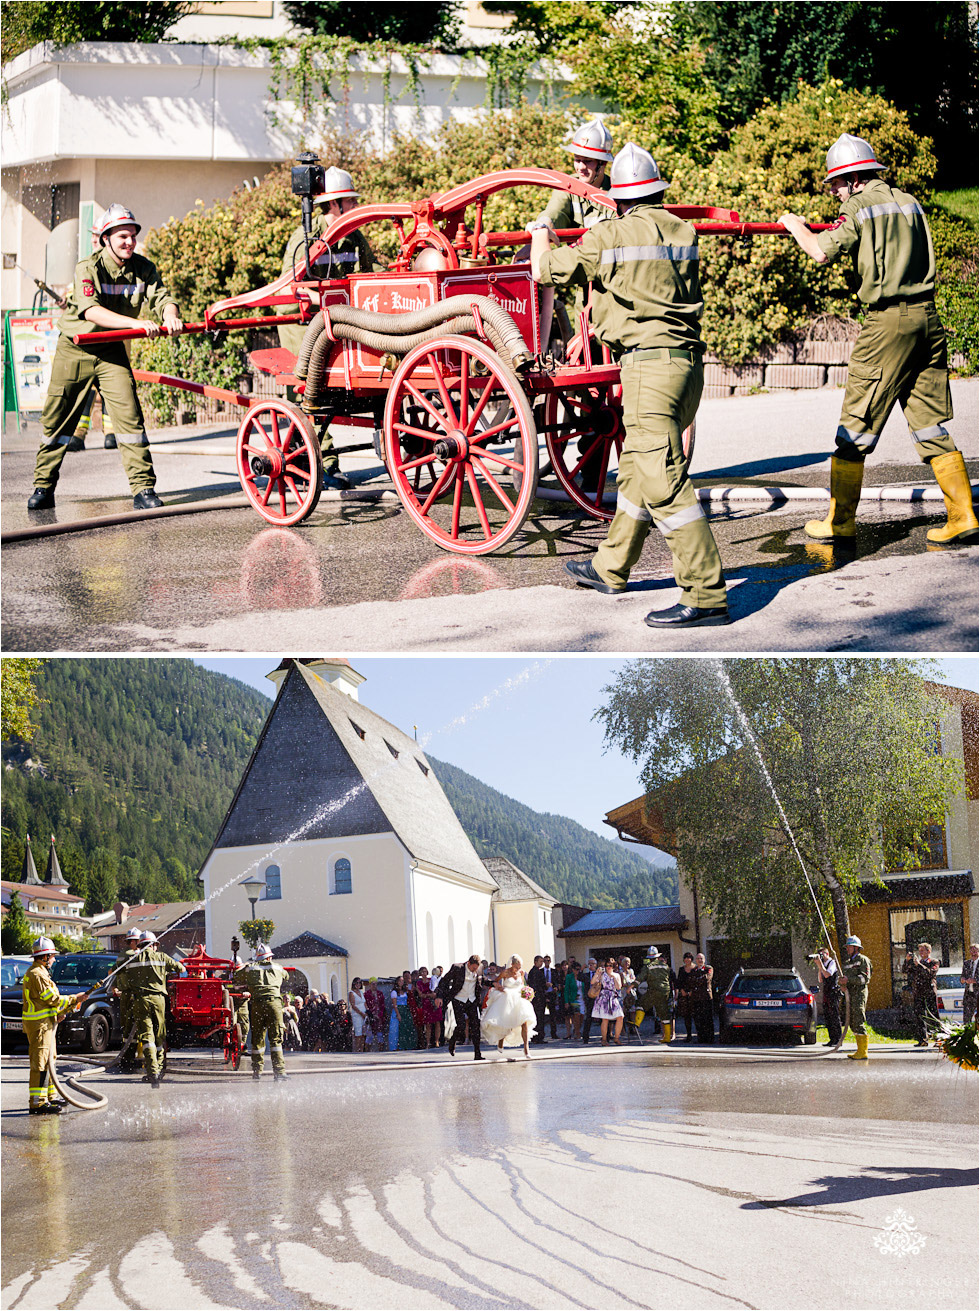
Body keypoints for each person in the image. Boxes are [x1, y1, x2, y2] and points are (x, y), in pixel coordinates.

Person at [531, 142, 729, 629]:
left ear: (617, 197)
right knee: (639, 473)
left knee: (662, 480)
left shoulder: (608, 237)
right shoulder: (683, 231)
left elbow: (543, 270)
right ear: (657, 191)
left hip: (648, 369)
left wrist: (540, 233)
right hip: (687, 368)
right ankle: (609, 567)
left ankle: (705, 593)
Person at [778, 133, 978, 547]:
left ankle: (839, 522)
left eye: (835, 182)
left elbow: (820, 251)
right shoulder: (909, 202)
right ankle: (962, 516)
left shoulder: (859, 206)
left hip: (887, 324)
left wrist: (794, 226)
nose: (833, 191)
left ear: (853, 178)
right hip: (927, 319)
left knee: (856, 423)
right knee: (928, 423)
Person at [28, 203, 183, 512]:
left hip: (111, 348)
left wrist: (171, 315)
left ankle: (143, 489)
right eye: (122, 236)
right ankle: (43, 486)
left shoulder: (143, 268)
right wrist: (136, 324)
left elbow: (163, 297)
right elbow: (91, 310)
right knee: (58, 419)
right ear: (105, 239)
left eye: (132, 236)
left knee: (129, 417)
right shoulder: (88, 267)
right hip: (76, 347)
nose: (129, 242)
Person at [277, 166, 379, 491]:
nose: (355, 207)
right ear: (334, 205)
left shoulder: (353, 235)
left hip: (336, 320)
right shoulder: (303, 239)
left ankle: (301, 452)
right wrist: (318, 297)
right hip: (302, 323)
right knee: (313, 390)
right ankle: (325, 466)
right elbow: (290, 286)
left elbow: (370, 269)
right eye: (350, 202)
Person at [21, 937, 79, 1114]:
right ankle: (37, 1103)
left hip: (46, 1024)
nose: (54, 959)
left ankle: (50, 1097)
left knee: (50, 1061)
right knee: (40, 1063)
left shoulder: (41, 973)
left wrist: (59, 1012)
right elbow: (52, 999)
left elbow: (46, 1003)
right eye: (52, 956)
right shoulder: (37, 975)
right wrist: (74, 999)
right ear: (44, 957)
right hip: (39, 1027)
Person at [124, 931, 183, 1088]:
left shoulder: (132, 959)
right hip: (158, 1000)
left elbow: (123, 978)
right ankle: (159, 1069)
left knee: (146, 1037)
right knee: (159, 1035)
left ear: (140, 945)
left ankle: (153, 1073)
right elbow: (181, 968)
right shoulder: (161, 957)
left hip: (140, 1000)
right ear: (154, 945)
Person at [233, 944, 290, 1081]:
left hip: (257, 1004)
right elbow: (286, 977)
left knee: (258, 1038)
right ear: (270, 956)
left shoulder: (250, 968)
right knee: (276, 1038)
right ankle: (279, 1072)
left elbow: (236, 976)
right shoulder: (277, 967)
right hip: (274, 1004)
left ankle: (257, 1071)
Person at [480, 954, 537, 1058]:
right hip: (507, 997)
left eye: (520, 966)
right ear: (512, 964)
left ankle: (526, 1048)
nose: (518, 969)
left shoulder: (521, 973)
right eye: (517, 966)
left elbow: (523, 984)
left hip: (519, 999)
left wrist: (527, 991)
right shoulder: (505, 972)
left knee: (524, 1021)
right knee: (505, 1021)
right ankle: (501, 1040)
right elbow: (495, 982)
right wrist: (500, 988)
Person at [437, 954, 486, 1061]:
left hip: (472, 1000)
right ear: (468, 963)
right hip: (459, 999)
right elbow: (444, 981)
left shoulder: (478, 969)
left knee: (475, 1026)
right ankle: (452, 1041)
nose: (475, 971)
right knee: (461, 1025)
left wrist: (493, 984)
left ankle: (477, 1054)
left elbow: (483, 980)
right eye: (473, 968)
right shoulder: (457, 968)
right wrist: (439, 996)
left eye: (476, 969)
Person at [111, 925, 144, 1071]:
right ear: (132, 941)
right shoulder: (131, 955)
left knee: (128, 1027)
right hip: (130, 995)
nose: (141, 944)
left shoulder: (123, 954)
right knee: (133, 1028)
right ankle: (131, 1059)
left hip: (126, 994)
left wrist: (115, 986)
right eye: (138, 941)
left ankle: (128, 1058)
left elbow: (113, 970)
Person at [634, 946, 676, 1043]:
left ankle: (637, 1023)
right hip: (665, 993)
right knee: (663, 1014)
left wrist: (632, 986)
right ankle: (666, 1036)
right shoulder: (665, 967)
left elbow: (640, 978)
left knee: (642, 1005)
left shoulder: (649, 967)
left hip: (657, 992)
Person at [841, 934, 873, 1061]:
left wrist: (849, 980)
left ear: (855, 947)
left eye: (849, 946)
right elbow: (845, 978)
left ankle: (863, 1051)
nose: (847, 949)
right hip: (850, 994)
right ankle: (859, 1049)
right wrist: (842, 983)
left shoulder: (863, 960)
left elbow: (865, 978)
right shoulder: (847, 963)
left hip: (859, 993)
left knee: (858, 1018)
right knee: (852, 1021)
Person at [903, 942, 940, 1047]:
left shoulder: (934, 961)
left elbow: (929, 973)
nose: (920, 953)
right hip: (918, 992)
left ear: (929, 951)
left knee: (933, 1015)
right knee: (920, 1015)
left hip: (929, 992)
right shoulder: (916, 963)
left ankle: (939, 1039)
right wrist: (907, 960)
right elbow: (905, 970)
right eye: (919, 951)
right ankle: (923, 1039)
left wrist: (918, 964)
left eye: (923, 950)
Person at [815, 946, 843, 1046]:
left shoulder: (832, 963)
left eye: (822, 954)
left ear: (827, 954)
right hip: (826, 993)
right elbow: (820, 979)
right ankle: (832, 1038)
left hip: (833, 992)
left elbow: (827, 974)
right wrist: (819, 967)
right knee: (827, 1016)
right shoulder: (823, 965)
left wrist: (821, 965)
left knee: (834, 1015)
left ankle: (838, 1039)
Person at [592, 958, 624, 1044]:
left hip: (613, 997)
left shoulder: (616, 975)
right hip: (604, 996)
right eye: (607, 965)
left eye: (610, 965)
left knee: (620, 1017)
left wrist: (614, 978)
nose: (608, 967)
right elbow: (592, 982)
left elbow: (618, 987)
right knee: (605, 1019)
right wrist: (597, 973)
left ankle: (616, 1038)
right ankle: (604, 1039)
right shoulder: (602, 974)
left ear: (613, 966)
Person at [389, 973, 418, 1051]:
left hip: (405, 1010)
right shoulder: (394, 992)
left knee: (406, 1027)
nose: (401, 982)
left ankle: (407, 1045)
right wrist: (398, 1014)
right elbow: (394, 1004)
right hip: (398, 1010)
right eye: (400, 981)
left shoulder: (405, 991)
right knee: (397, 1029)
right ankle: (397, 1046)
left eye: (402, 981)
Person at [526, 955, 549, 1045]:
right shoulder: (534, 972)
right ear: (535, 962)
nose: (542, 963)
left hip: (539, 997)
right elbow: (535, 985)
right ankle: (538, 1037)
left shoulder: (537, 971)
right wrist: (545, 986)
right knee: (539, 1018)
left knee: (539, 1018)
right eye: (540, 961)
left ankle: (537, 1036)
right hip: (538, 998)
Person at [675, 952, 697, 1042]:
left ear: (691, 959)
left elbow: (696, 981)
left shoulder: (695, 969)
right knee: (686, 1016)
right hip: (684, 995)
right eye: (685, 958)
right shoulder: (681, 969)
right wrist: (682, 990)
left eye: (689, 958)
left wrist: (692, 991)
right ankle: (689, 1035)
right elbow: (679, 981)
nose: (687, 960)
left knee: (696, 1015)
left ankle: (698, 1035)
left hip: (694, 994)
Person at [579, 957, 599, 1044]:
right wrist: (582, 969)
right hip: (589, 998)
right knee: (589, 1018)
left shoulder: (599, 975)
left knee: (602, 1017)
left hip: (599, 998)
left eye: (593, 964)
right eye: (590, 964)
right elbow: (579, 977)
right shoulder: (586, 975)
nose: (591, 966)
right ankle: (585, 1037)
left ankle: (606, 1037)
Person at [563, 959, 583, 1040]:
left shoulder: (582, 976)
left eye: (579, 969)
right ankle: (577, 1033)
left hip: (582, 998)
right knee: (576, 1016)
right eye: (576, 969)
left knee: (582, 1016)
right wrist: (566, 1001)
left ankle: (576, 1029)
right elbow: (566, 990)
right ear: (573, 969)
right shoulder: (569, 977)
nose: (578, 971)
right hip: (574, 999)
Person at [364, 977, 386, 1050]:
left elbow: (382, 1005)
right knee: (369, 1036)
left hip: (379, 1017)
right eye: (373, 984)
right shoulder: (366, 994)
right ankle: (367, 1051)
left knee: (380, 1035)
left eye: (375, 984)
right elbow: (366, 1005)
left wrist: (379, 1015)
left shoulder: (380, 993)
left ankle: (381, 1050)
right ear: (370, 985)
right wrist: (371, 1015)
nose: (374, 985)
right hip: (371, 1017)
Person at [960, 944, 979, 1025]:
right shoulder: (966, 963)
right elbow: (962, 976)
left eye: (975, 951)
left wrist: (975, 980)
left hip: (978, 994)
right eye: (971, 951)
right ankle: (967, 1034)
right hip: (969, 994)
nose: (973, 953)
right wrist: (963, 979)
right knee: (967, 1018)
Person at [348, 978, 368, 1053]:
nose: (358, 984)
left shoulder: (361, 992)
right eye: (356, 983)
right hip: (357, 1015)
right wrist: (361, 1013)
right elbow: (353, 1005)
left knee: (363, 1034)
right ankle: (357, 1050)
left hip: (364, 1014)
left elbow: (364, 1003)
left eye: (359, 983)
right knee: (358, 1034)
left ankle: (362, 1050)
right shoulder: (351, 993)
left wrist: (367, 1012)